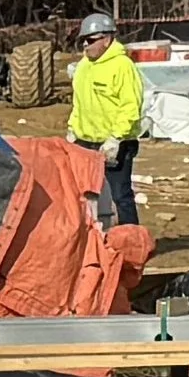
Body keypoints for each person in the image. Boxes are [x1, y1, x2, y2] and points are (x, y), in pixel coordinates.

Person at [67, 12, 145, 226]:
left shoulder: (122, 66)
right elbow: (80, 103)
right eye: (83, 40)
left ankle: (131, 242)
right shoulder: (84, 66)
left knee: (120, 195)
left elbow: (130, 107)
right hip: (86, 142)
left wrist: (115, 138)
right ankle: (93, 239)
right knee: (84, 193)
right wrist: (73, 129)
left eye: (90, 40)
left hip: (115, 143)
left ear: (107, 39)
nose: (85, 45)